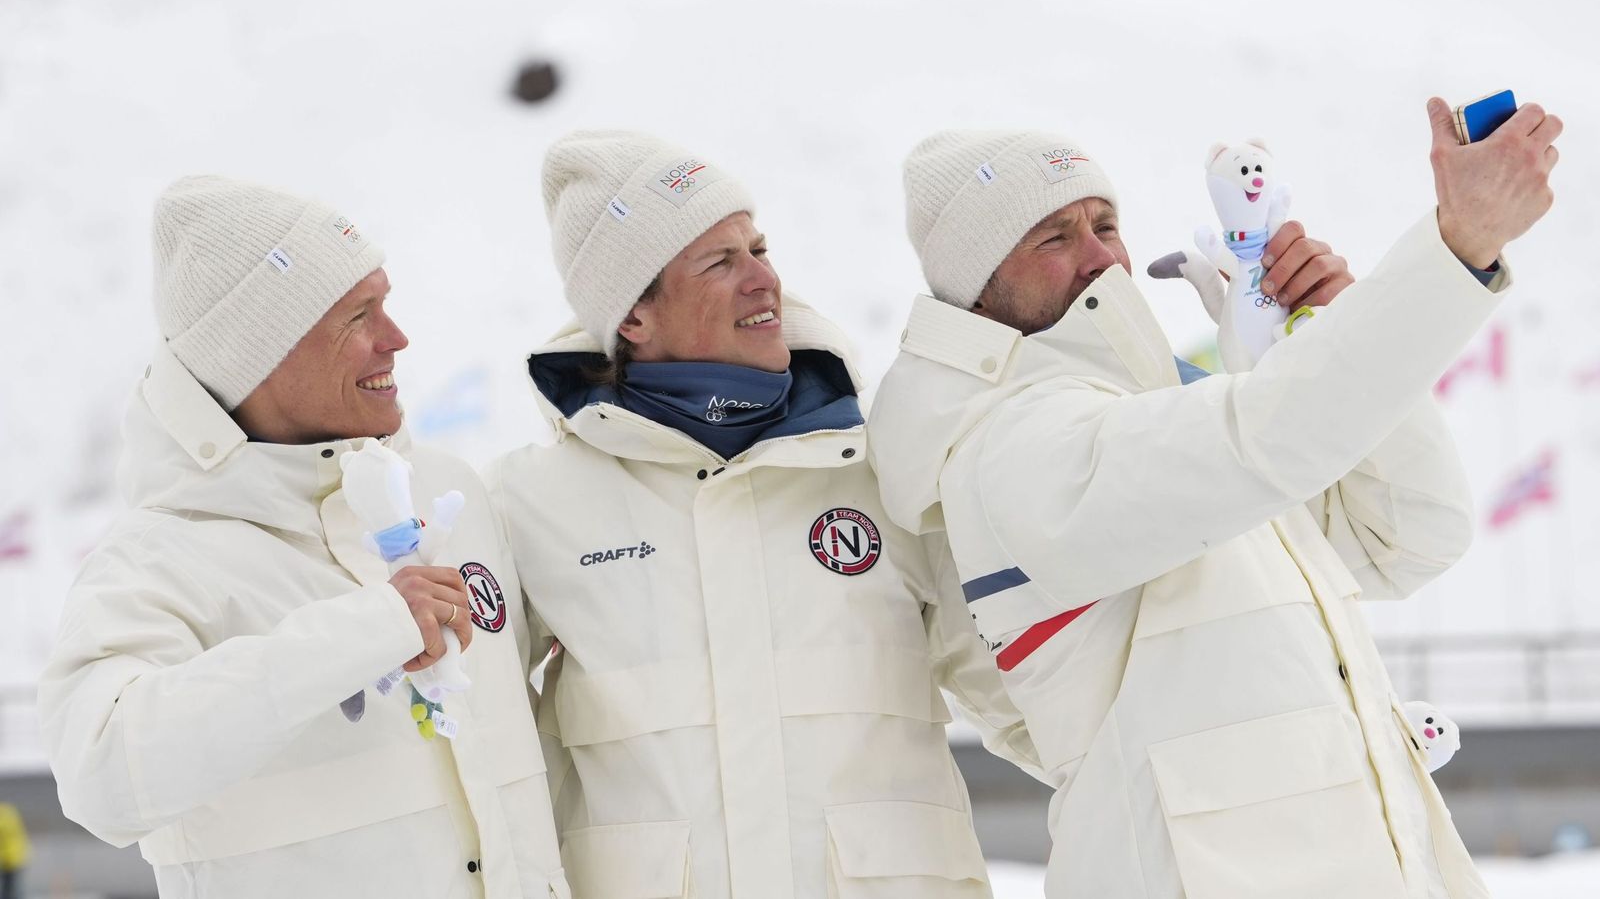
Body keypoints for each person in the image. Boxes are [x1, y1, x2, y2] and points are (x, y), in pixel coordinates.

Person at [867, 99, 1563, 898]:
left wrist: (1326, 323)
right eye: (1052, 237)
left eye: (1104, 223)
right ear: (976, 286)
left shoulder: (1154, 429)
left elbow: (1406, 538)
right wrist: (1455, 247)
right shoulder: (1005, 449)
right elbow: (1264, 438)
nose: (1099, 256)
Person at [485, 131, 1038, 899]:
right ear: (633, 318)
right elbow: (481, 757)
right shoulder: (529, 504)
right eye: (721, 261)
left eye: (759, 247)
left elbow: (1031, 691)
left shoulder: (884, 463)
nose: (764, 278)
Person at [37, 176, 569, 899]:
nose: (397, 337)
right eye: (359, 315)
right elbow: (102, 781)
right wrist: (366, 631)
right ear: (262, 354)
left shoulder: (448, 489)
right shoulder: (159, 558)